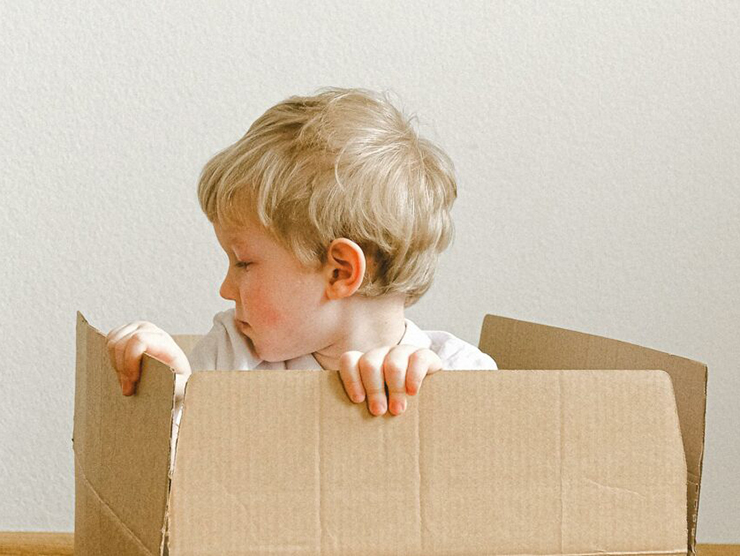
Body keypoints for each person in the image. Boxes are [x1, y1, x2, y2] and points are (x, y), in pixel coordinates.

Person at [106, 87, 497, 433]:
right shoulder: (232, 356)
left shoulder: (459, 370)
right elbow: (175, 474)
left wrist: (441, 398)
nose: (224, 289)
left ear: (340, 272)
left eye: (243, 263)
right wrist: (169, 389)